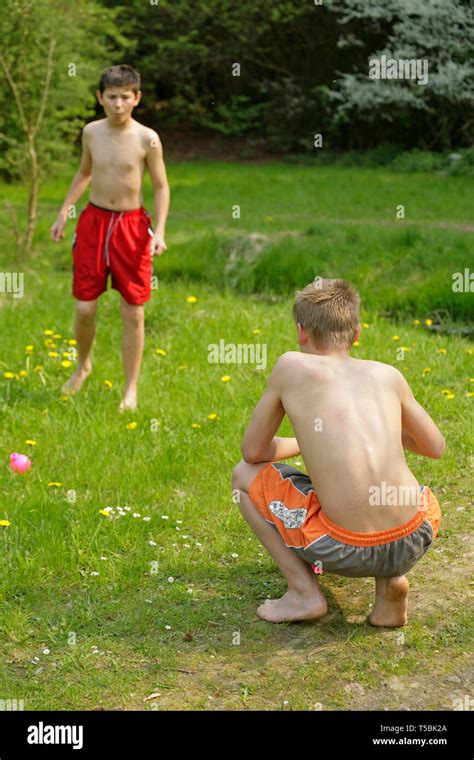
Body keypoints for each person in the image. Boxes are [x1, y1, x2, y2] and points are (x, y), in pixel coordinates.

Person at [232, 278, 444, 628]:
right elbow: (434, 447)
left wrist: (303, 441)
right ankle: (390, 583)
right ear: (357, 332)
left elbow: (253, 451)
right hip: (413, 536)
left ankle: (303, 592)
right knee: (391, 491)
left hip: (342, 549)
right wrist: (382, 430)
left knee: (243, 477)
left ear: (301, 332)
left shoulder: (291, 366)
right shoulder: (387, 375)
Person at [50, 64, 170, 411]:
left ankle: (130, 390)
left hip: (132, 228)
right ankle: (82, 366)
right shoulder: (91, 133)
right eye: (112, 97)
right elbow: (84, 172)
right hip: (93, 222)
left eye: (125, 97)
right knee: (84, 307)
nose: (118, 104)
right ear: (100, 98)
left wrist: (159, 230)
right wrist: (63, 212)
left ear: (137, 98)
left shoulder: (148, 138)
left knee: (133, 311)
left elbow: (161, 186)